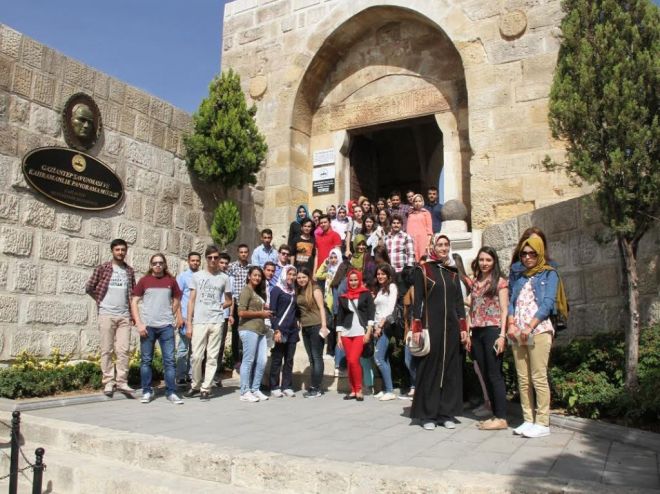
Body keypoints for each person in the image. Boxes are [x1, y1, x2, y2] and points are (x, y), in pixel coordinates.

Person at [507, 236, 566, 438]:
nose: (527, 257)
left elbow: (548, 303)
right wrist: (511, 323)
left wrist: (530, 326)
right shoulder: (520, 276)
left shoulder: (549, 273)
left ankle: (542, 422)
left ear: (540, 253)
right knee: (523, 379)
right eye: (524, 254)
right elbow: (512, 302)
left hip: (538, 330)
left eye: (532, 253)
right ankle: (528, 419)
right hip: (518, 332)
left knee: (538, 377)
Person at [410, 234, 468, 430]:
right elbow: (417, 301)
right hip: (431, 327)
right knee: (430, 369)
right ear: (433, 247)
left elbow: (459, 302)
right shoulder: (423, 270)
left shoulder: (453, 272)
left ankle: (446, 413)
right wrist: (416, 326)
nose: (443, 248)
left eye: (446, 245)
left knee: (450, 370)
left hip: (451, 328)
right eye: (440, 245)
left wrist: (463, 327)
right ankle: (427, 415)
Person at [85, 238, 136, 397]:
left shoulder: (129, 271)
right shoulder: (103, 268)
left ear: (126, 251)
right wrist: (100, 301)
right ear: (112, 251)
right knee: (106, 350)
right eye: (117, 250)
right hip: (106, 314)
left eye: (123, 250)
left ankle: (122, 381)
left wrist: (133, 314)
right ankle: (108, 381)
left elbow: (133, 294)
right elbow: (89, 287)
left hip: (124, 315)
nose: (120, 252)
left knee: (123, 350)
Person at [130, 253, 183, 404]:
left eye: (160, 263)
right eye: (154, 263)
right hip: (148, 327)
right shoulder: (144, 281)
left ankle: (171, 392)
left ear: (164, 264)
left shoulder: (171, 281)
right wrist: (139, 323)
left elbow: (177, 298)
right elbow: (134, 302)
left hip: (166, 327)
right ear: (151, 265)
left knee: (169, 361)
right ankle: (147, 391)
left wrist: (170, 313)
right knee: (146, 361)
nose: (157, 265)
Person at [467, 247, 509, 430]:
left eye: (488, 260)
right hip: (477, 332)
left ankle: (501, 417)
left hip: (493, 330)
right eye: (482, 259)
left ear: (494, 262)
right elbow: (472, 307)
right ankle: (494, 414)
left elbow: (505, 310)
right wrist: (468, 330)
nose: (484, 263)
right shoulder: (476, 282)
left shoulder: (500, 282)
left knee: (494, 374)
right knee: (485, 374)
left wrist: (502, 335)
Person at [185, 247, 233, 401]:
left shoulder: (224, 278)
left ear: (219, 259)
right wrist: (189, 323)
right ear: (206, 258)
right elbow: (191, 300)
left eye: (216, 257)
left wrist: (220, 306)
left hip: (217, 321)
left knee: (212, 356)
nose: (213, 260)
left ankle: (206, 388)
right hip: (199, 320)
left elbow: (229, 300)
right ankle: (195, 385)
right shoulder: (197, 276)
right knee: (196, 356)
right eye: (210, 257)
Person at [336, 269, 375, 401]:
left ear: (359, 280)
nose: (353, 282)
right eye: (351, 280)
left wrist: (368, 332)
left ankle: (359, 389)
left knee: (354, 360)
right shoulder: (343, 297)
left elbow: (371, 313)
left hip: (360, 332)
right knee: (349, 361)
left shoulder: (366, 294)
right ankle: (352, 390)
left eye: (355, 280)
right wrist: (338, 336)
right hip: (346, 333)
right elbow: (340, 317)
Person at [237, 266, 272, 402]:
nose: (257, 278)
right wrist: (261, 313)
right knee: (248, 360)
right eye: (255, 275)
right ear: (249, 276)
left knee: (262, 361)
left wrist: (265, 310)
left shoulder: (257, 292)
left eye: (259, 276)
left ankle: (255, 389)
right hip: (248, 329)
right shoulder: (246, 290)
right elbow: (241, 312)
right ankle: (244, 391)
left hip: (260, 330)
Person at [296, 267, 329, 398]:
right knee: (311, 358)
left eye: (304, 277)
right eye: (299, 277)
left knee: (317, 357)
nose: (301, 279)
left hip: (316, 326)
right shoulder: (299, 290)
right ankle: (314, 386)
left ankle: (316, 388)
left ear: (309, 277)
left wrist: (324, 326)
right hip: (305, 327)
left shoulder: (315, 289)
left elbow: (322, 308)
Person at [268, 265, 299, 397]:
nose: (291, 277)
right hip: (280, 329)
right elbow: (272, 312)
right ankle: (274, 386)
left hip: (292, 330)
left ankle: (287, 385)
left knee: (289, 359)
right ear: (284, 274)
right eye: (289, 274)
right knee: (277, 358)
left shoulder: (294, 290)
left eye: (294, 274)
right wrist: (276, 330)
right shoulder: (276, 290)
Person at [175, 251, 201, 386]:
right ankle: (180, 376)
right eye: (193, 260)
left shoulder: (202, 276)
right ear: (188, 261)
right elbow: (177, 298)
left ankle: (191, 375)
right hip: (185, 317)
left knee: (195, 349)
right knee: (183, 348)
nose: (195, 263)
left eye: (197, 260)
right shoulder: (182, 277)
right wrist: (179, 316)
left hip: (199, 318)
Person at [372, 264, 398, 401]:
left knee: (379, 358)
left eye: (383, 274)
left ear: (388, 275)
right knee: (384, 358)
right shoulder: (380, 289)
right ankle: (386, 388)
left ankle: (390, 391)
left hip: (385, 327)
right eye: (378, 274)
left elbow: (390, 309)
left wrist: (380, 326)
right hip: (377, 326)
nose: (380, 276)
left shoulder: (392, 287)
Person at [226, 244, 252, 372]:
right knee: (236, 332)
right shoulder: (232, 267)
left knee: (247, 332)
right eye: (241, 252)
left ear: (248, 253)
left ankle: (246, 358)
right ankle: (236, 360)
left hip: (248, 304)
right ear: (238, 253)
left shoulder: (251, 268)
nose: (243, 254)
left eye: (245, 252)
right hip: (235, 303)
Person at [406, 194, 433, 261]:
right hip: (412, 240)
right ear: (413, 203)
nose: (417, 203)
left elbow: (429, 229)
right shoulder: (410, 213)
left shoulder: (426, 213)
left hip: (422, 240)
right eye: (415, 201)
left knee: (423, 259)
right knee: (412, 258)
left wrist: (428, 242)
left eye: (419, 201)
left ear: (422, 202)